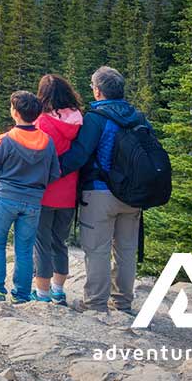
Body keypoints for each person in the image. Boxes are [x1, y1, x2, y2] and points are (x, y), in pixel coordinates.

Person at [57, 66, 144, 313]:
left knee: (97, 249)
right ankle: (123, 303)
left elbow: (80, 155)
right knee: (126, 250)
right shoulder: (138, 116)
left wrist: (51, 171)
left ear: (97, 91)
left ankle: (95, 304)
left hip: (99, 192)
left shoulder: (96, 118)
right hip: (133, 195)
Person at [0, 90, 60, 303]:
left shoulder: (6, 139)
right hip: (33, 201)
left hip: (5, 198)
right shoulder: (47, 141)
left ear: (15, 113)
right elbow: (54, 174)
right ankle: (22, 295)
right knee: (25, 249)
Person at [32, 74, 84, 306]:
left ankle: (42, 294)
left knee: (41, 242)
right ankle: (59, 291)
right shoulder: (78, 119)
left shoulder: (40, 121)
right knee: (59, 241)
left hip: (44, 190)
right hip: (69, 191)